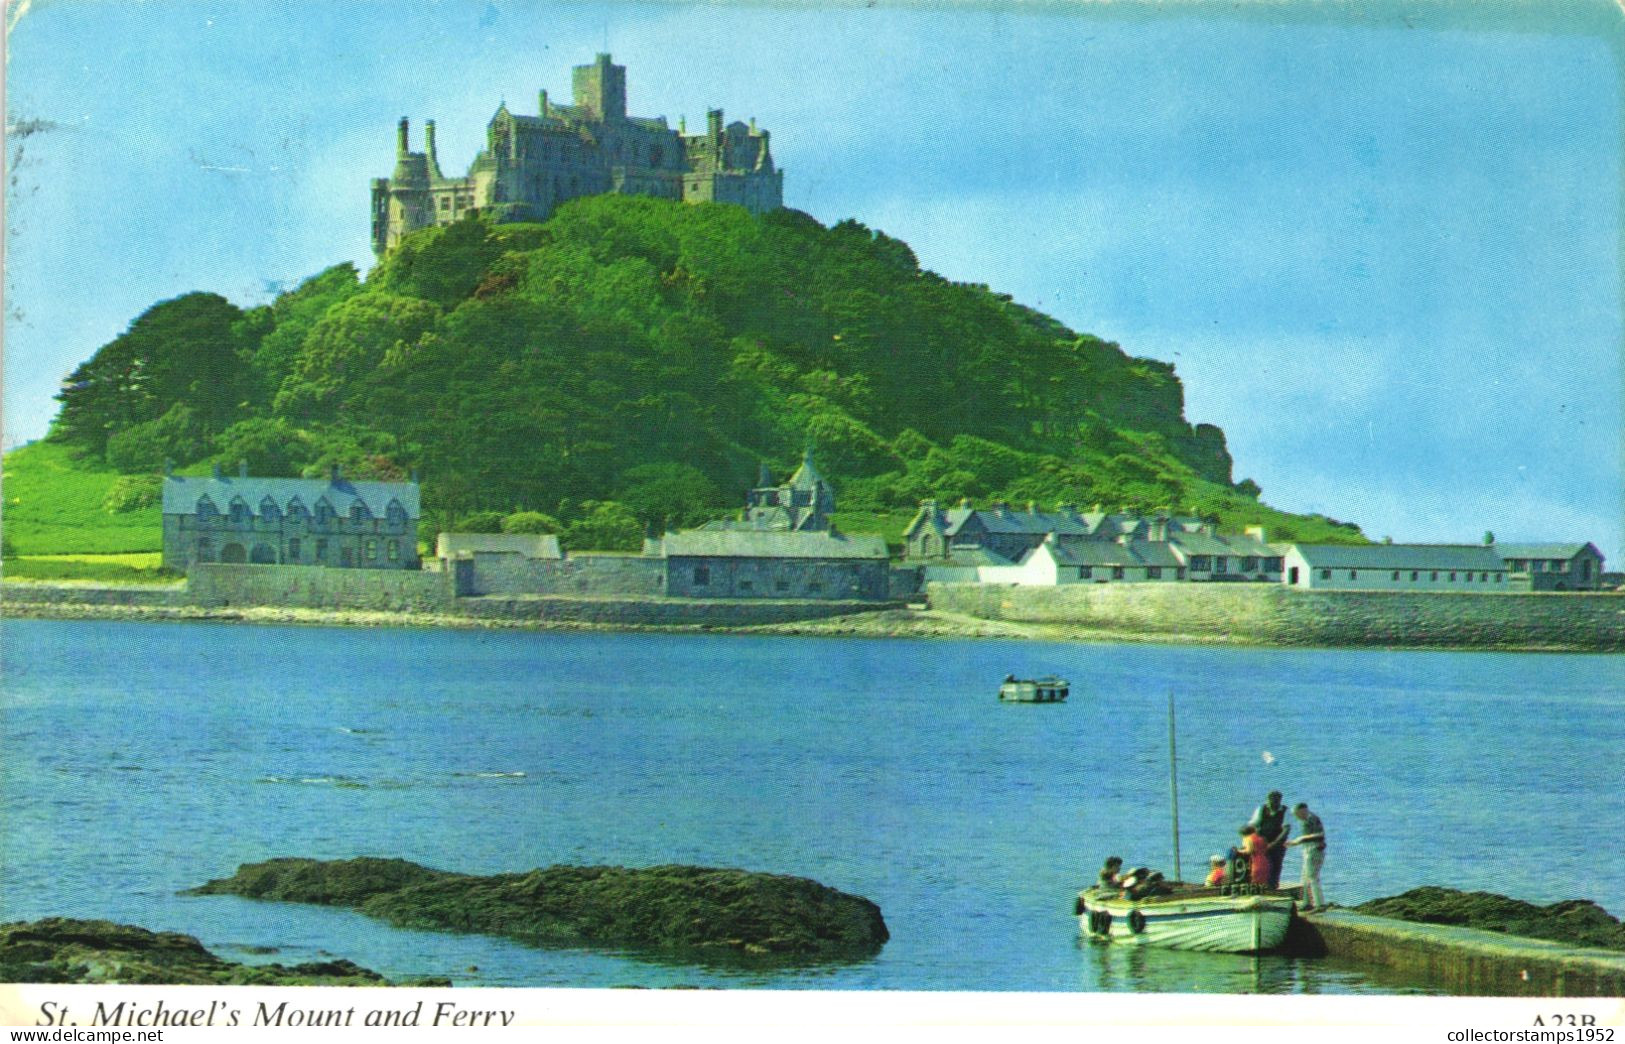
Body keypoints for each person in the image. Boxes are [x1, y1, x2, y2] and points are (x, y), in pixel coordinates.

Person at [1285, 803, 1328, 911]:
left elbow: (1320, 835)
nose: (1296, 817)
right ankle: (1307, 903)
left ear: (1302, 810)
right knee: (1304, 878)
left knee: (1312, 877)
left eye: (1296, 814)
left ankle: (1320, 904)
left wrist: (1299, 840)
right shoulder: (1306, 820)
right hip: (1308, 850)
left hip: (1314, 850)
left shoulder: (1312, 818)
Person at [1249, 790, 1291, 888]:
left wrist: (1275, 843)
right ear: (1267, 800)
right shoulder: (1261, 809)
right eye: (1271, 800)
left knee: (1276, 863)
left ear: (1280, 800)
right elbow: (1253, 825)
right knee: (1261, 864)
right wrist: (1252, 841)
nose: (1273, 803)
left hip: (1278, 842)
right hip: (1262, 841)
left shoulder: (1285, 811)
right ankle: (1260, 884)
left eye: (1276, 800)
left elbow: (1286, 830)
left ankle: (1273, 886)